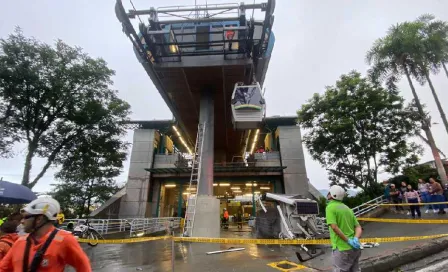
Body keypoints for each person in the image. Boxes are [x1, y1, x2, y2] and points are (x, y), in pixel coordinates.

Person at [0, 196, 92, 271]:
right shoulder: (20, 241)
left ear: (39, 219)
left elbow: (84, 267)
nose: (22, 221)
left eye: (26, 218)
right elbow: (3, 268)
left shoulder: (64, 240)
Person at [326, 185, 362, 272]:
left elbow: (334, 227)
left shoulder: (330, 207)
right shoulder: (347, 208)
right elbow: (358, 227)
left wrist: (347, 240)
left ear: (332, 195)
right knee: (355, 270)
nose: (328, 194)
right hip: (355, 248)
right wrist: (355, 239)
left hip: (342, 249)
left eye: (329, 192)